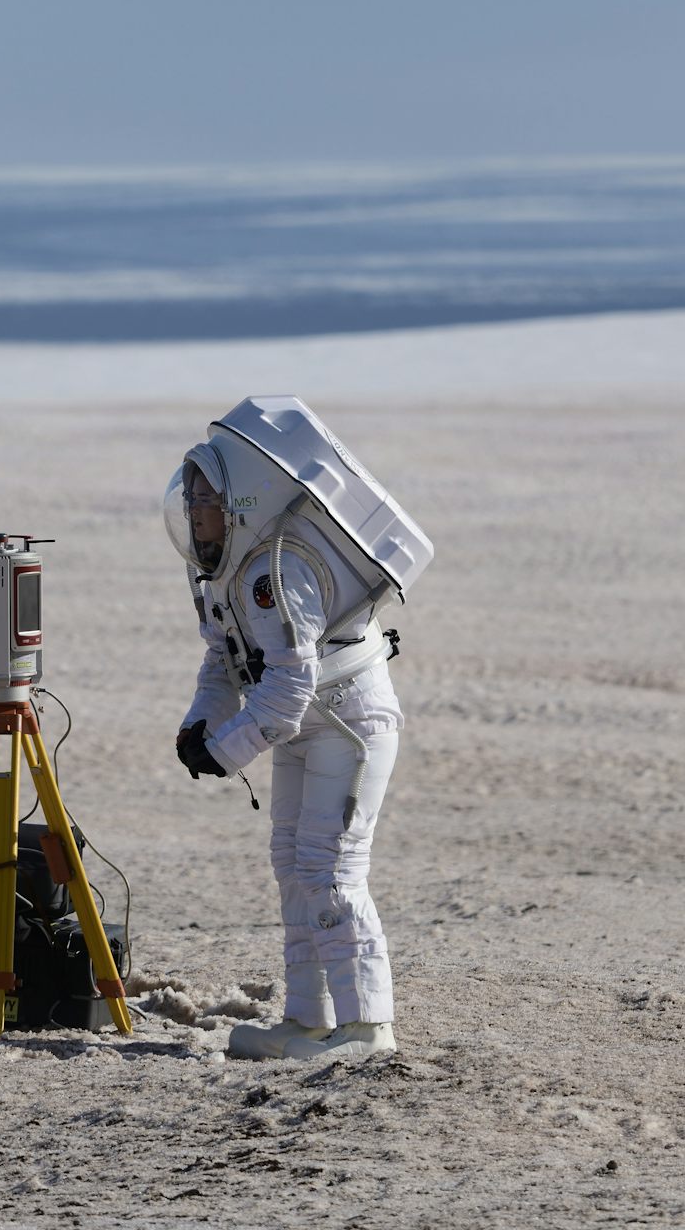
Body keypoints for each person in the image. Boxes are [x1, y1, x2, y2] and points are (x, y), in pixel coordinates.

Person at [164, 398, 430, 1060]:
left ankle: (368, 1028)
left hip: (347, 723)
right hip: (309, 725)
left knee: (331, 871)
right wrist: (201, 723)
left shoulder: (274, 572)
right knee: (292, 867)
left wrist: (224, 751)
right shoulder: (234, 571)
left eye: (204, 506)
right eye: (190, 504)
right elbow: (226, 658)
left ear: (234, 509)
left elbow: (286, 691)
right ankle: (308, 1022)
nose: (195, 516)